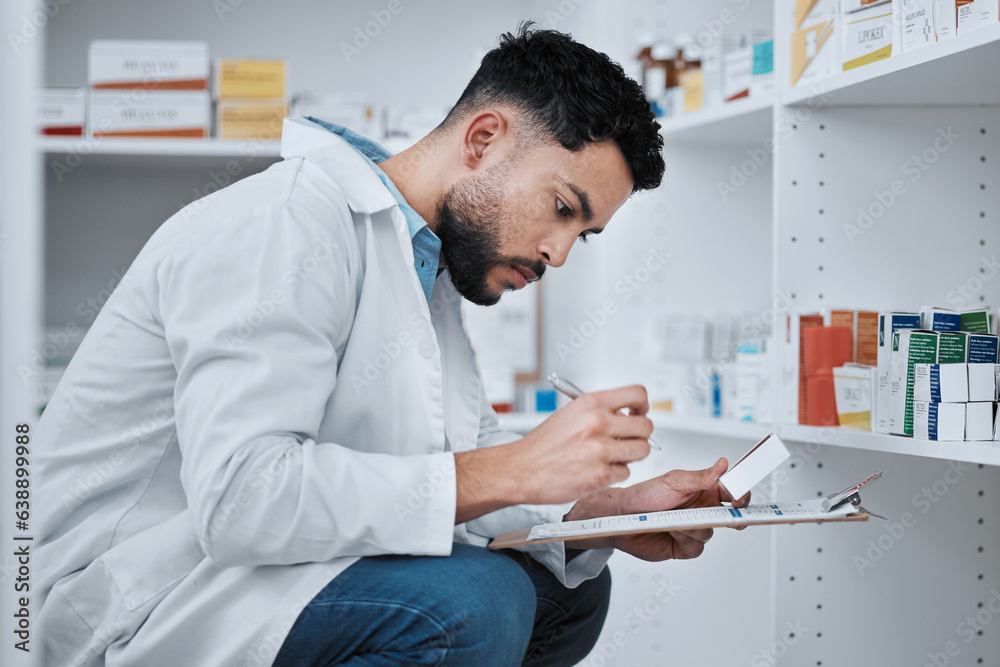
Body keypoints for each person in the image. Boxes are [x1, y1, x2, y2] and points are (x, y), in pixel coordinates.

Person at [34, 23, 745, 667]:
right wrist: (520, 466)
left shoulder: (424, 266)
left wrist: (605, 516)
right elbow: (243, 498)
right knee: (476, 602)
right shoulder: (284, 224)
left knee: (570, 594)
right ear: (483, 139)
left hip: (255, 569)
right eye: (563, 208)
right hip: (132, 593)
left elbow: (453, 462)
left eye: (582, 235)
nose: (559, 253)